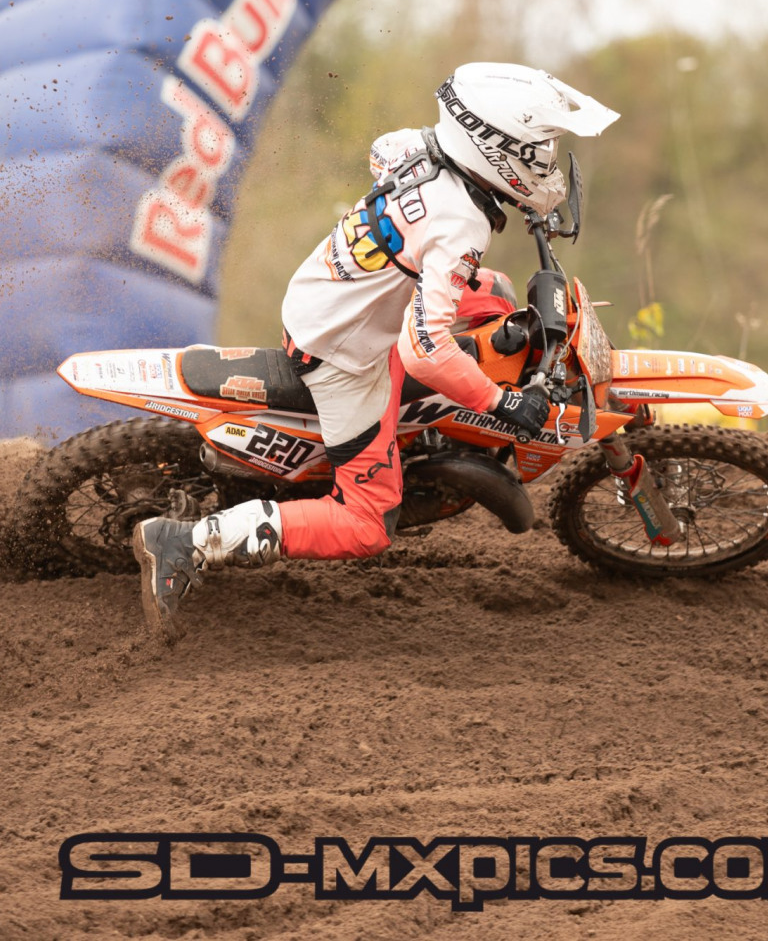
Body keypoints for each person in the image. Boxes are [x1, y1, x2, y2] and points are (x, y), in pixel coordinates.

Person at [133, 62, 618, 634]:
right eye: (536, 152)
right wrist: (501, 402)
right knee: (366, 525)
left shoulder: (420, 148)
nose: (544, 164)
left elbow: (381, 154)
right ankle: (188, 541)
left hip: (331, 293)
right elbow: (425, 352)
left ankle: (422, 437)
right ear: (493, 148)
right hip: (344, 353)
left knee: (495, 294)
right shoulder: (461, 225)